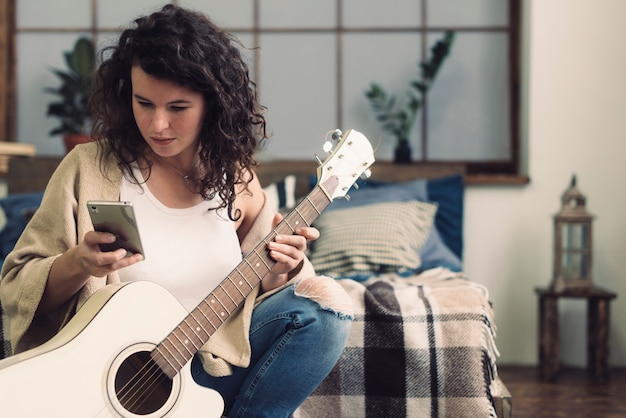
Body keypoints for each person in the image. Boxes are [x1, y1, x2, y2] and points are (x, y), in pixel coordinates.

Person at [0, 5, 353, 417]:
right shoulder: (88, 168)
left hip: (206, 370)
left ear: (213, 103)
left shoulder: (236, 178)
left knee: (324, 310)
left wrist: (284, 270)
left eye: (178, 108)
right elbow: (16, 287)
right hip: (107, 380)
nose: (158, 125)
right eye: (144, 102)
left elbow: (270, 295)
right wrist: (80, 262)